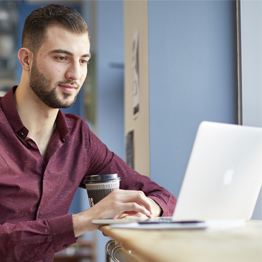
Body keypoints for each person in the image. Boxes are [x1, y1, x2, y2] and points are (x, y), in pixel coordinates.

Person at [0, 4, 176, 262]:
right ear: (26, 59)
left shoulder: (78, 138)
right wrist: (85, 220)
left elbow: (159, 195)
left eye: (83, 61)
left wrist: (145, 209)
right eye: (61, 58)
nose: (75, 74)